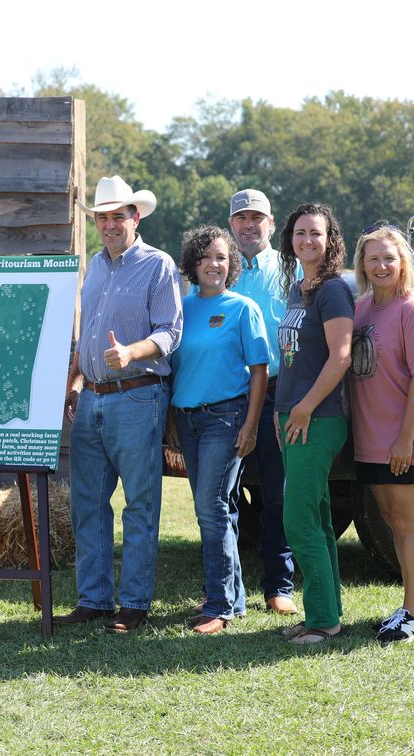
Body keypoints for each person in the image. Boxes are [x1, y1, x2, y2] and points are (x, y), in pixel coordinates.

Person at [56, 176, 183, 634]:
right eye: (102, 217)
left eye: (118, 216)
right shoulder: (95, 265)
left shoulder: (158, 265)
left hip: (137, 395)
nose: (110, 224)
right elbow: (87, 333)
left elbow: (171, 332)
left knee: (140, 504)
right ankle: (93, 599)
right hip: (90, 399)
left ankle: (133, 604)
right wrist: (74, 380)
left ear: (136, 217)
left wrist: (131, 352)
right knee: (87, 504)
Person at [349, 224, 414, 643]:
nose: (382, 265)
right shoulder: (362, 308)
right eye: (373, 258)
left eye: (389, 257)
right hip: (372, 435)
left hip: (409, 434)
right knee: (392, 521)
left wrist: (405, 439)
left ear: (404, 261)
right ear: (363, 265)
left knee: (408, 524)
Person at [170, 226, 268, 635]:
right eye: (207, 257)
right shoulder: (180, 308)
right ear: (193, 263)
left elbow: (260, 371)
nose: (214, 264)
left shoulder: (243, 308)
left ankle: (218, 605)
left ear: (232, 266)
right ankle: (234, 598)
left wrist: (250, 426)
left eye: (222, 258)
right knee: (221, 510)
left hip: (226, 418)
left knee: (209, 510)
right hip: (186, 419)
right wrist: (173, 424)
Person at [274, 202, 353, 646]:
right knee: (318, 519)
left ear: (330, 240)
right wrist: (280, 408)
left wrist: (302, 408)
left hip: (317, 419)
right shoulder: (298, 288)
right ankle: (324, 614)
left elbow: (340, 357)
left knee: (298, 519)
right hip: (293, 416)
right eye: (300, 232)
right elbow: (293, 359)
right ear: (290, 239)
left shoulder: (332, 291)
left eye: (316, 233)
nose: (307, 240)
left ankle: (323, 623)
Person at [228, 189, 298, 615]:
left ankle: (279, 584)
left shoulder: (290, 270)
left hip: (277, 390)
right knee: (225, 494)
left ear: (271, 225)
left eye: (257, 218)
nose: (249, 225)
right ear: (231, 225)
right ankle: (225, 585)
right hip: (230, 394)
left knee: (277, 493)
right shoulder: (221, 270)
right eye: (241, 219)